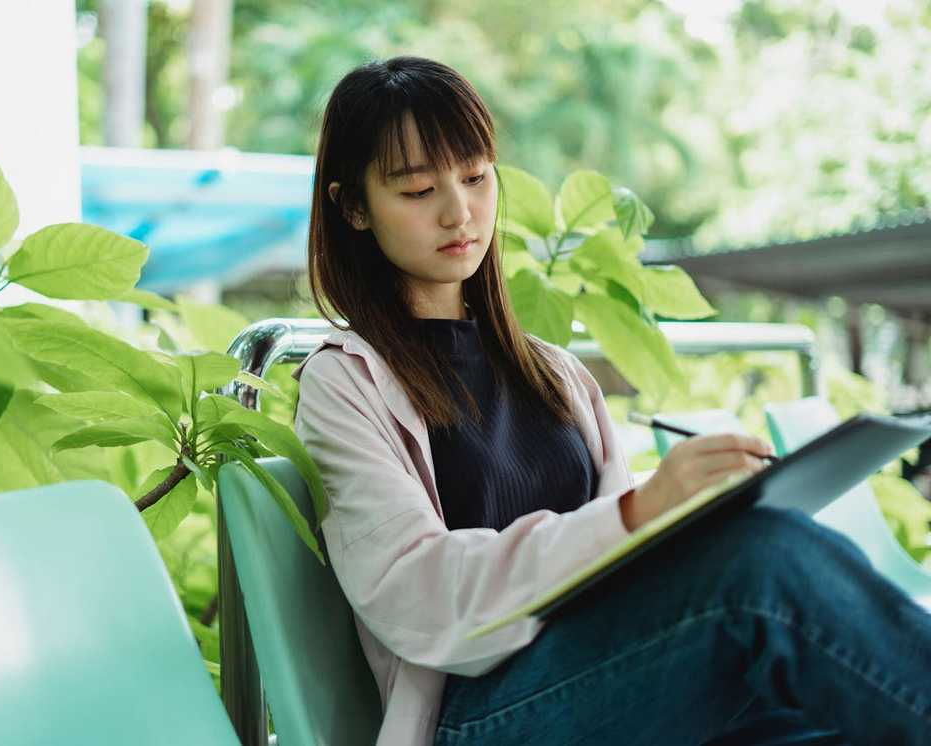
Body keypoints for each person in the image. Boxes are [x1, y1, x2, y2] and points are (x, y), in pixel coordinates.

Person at [291, 55, 931, 746]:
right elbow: (418, 597)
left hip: (614, 675)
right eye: (417, 191)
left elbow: (621, 569)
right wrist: (638, 511)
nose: (459, 210)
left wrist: (684, 517)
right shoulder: (344, 383)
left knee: (823, 716)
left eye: (476, 178)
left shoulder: (555, 374)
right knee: (760, 562)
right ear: (353, 207)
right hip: (480, 716)